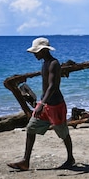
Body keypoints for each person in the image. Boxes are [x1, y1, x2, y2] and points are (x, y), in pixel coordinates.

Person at [7, 37, 75, 171]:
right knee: (31, 128)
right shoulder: (45, 63)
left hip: (55, 105)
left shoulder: (54, 64)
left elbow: (53, 86)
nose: (34, 54)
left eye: (36, 52)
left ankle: (70, 158)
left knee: (63, 133)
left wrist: (41, 104)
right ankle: (25, 161)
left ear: (43, 50)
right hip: (45, 103)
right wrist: (42, 103)